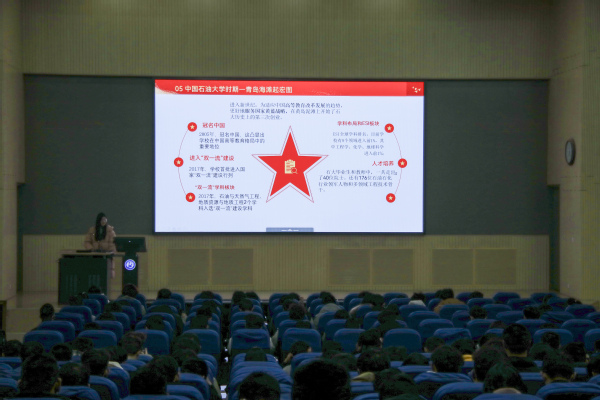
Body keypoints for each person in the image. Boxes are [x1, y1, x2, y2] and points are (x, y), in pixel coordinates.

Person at [83, 212, 116, 278]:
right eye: (102, 220)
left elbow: (113, 243)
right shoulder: (92, 230)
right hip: (94, 255)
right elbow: (87, 242)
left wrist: (110, 252)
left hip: (106, 256)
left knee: (106, 275)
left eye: (105, 220)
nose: (104, 221)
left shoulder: (110, 231)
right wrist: (91, 249)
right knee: (94, 274)